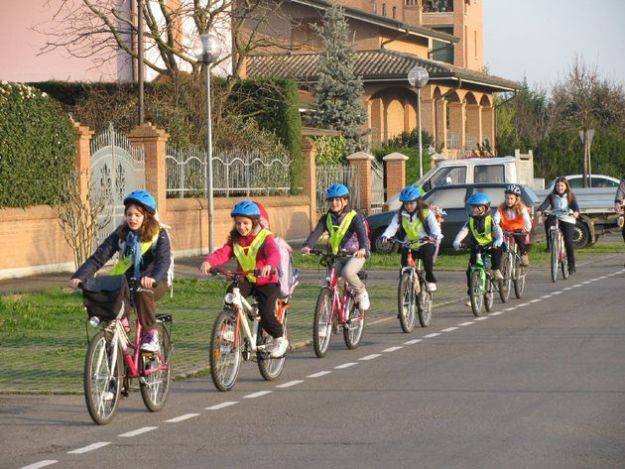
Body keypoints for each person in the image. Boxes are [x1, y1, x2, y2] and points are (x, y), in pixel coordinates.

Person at [70, 190, 172, 352]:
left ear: (147, 216)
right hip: (127, 282)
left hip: (154, 282)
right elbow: (98, 258)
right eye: (129, 214)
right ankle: (118, 371)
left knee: (142, 292)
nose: (132, 218)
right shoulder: (121, 234)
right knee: (108, 302)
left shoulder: (159, 235)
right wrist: (80, 276)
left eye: (137, 215)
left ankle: (150, 336)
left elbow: (163, 261)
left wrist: (153, 278)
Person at [199, 201, 288, 358]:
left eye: (245, 223)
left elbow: (274, 253)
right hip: (246, 279)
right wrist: (209, 262)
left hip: (266, 281)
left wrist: (268, 265)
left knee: (266, 314)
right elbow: (223, 253)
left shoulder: (265, 237)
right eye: (238, 223)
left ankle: (280, 338)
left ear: (254, 222)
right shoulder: (236, 240)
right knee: (231, 295)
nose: (241, 227)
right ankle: (230, 332)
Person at [301, 183, 370, 310]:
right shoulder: (326, 218)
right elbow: (316, 233)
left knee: (347, 272)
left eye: (338, 199)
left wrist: (363, 248)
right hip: (337, 256)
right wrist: (308, 245)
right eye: (331, 200)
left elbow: (362, 234)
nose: (334, 202)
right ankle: (326, 318)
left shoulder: (354, 217)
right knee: (328, 282)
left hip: (355, 255)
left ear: (345, 201)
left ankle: (361, 292)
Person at [380, 185, 442, 292]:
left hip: (425, 242)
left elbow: (435, 228)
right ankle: (406, 287)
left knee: (427, 259)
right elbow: (393, 226)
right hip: (410, 244)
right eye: (406, 204)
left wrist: (435, 235)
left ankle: (430, 279)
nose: (409, 206)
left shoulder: (426, 212)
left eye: (411, 203)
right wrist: (386, 235)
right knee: (404, 266)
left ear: (418, 202)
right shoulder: (400, 214)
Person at [453, 192, 504, 297]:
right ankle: (471, 292)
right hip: (476, 246)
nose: (473, 210)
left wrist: (499, 239)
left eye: (476, 207)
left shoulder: (490, 220)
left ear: (484, 208)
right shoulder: (470, 220)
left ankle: (495, 269)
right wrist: (457, 241)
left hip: (489, 244)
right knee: (470, 270)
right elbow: (463, 231)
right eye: (472, 207)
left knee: (497, 251)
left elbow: (497, 229)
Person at [537, 176, 580, 275]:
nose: (559, 188)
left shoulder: (570, 195)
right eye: (557, 186)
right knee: (548, 222)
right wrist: (540, 210)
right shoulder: (551, 196)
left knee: (568, 242)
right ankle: (551, 245)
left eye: (561, 186)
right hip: (555, 217)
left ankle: (571, 265)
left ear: (566, 186)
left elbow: (575, 206)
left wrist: (576, 212)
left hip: (567, 219)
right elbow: (545, 204)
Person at [493, 184, 533, 266]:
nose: (509, 200)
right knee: (498, 244)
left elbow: (527, 220)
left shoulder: (521, 208)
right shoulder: (502, 207)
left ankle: (523, 254)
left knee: (519, 239)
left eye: (511, 198)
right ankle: (497, 266)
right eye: (507, 198)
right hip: (506, 230)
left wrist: (526, 229)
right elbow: (496, 218)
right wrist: (495, 224)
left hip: (518, 230)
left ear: (516, 199)